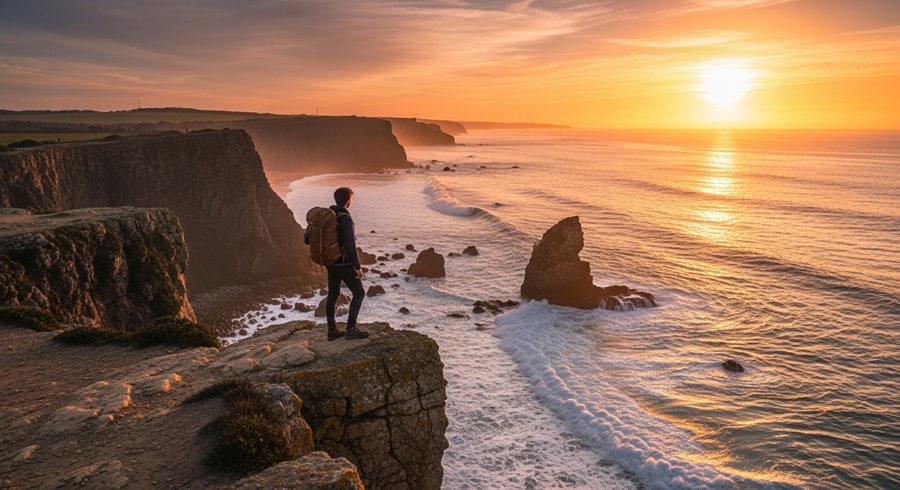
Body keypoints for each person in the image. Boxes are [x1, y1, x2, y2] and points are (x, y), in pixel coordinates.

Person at [305, 187, 368, 341]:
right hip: (343, 263)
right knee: (359, 293)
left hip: (329, 262)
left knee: (333, 294)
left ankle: (332, 330)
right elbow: (350, 245)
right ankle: (351, 329)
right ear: (348, 201)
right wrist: (357, 267)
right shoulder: (344, 218)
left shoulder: (326, 217)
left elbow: (306, 239)